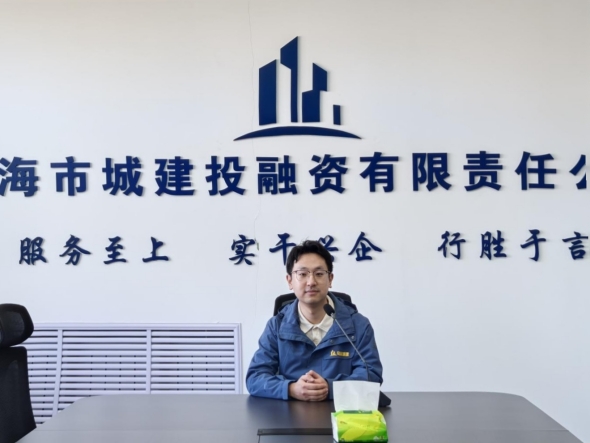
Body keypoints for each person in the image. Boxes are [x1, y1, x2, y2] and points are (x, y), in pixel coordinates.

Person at [246, 240, 383, 401]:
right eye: (302, 274)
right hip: (288, 413)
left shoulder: (358, 325)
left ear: (330, 279)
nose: (311, 282)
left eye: (319, 274)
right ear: (290, 281)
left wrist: (330, 388)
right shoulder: (276, 326)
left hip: (341, 412)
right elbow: (255, 377)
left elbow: (371, 375)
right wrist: (290, 388)